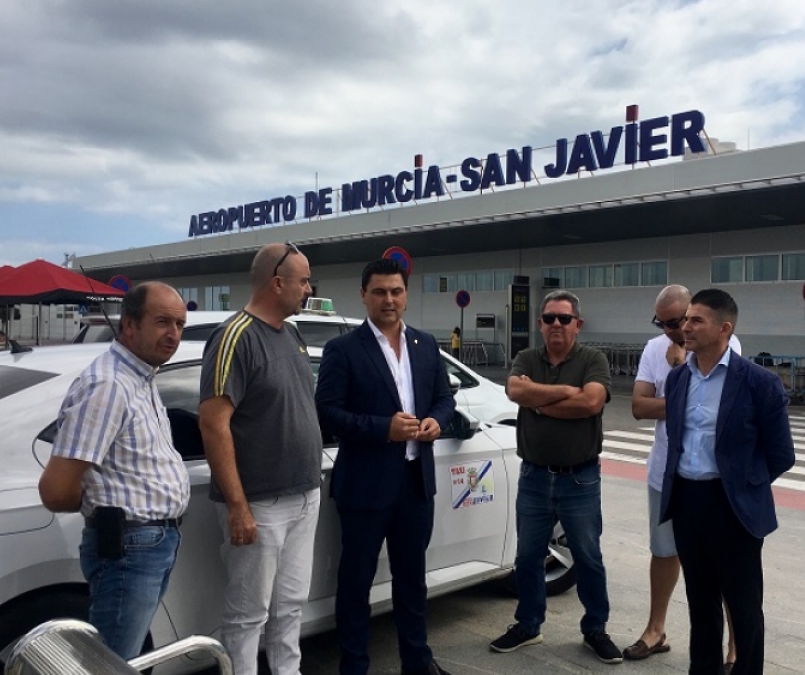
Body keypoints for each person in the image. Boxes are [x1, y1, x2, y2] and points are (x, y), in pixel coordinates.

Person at [315, 258, 456, 675]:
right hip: (365, 486)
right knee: (356, 583)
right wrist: (384, 429)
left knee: (412, 580)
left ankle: (417, 661)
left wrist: (437, 421)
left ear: (406, 295)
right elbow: (327, 412)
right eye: (379, 292)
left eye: (396, 291)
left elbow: (444, 398)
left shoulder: (425, 344)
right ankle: (354, 665)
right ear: (363, 296)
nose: (388, 299)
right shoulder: (343, 349)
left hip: (415, 484)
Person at [38, 282, 190, 659]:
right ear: (129, 325)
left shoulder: (140, 376)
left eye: (180, 324)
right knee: (112, 663)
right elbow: (56, 490)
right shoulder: (108, 385)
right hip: (130, 547)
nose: (173, 334)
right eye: (162, 322)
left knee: (120, 658)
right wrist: (104, 505)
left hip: (148, 543)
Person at [198, 242, 324, 675]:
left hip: (304, 495)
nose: (309, 289)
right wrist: (237, 506)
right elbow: (213, 424)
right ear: (277, 283)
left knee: (291, 604)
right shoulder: (234, 337)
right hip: (259, 504)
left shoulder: (291, 333)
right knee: (248, 613)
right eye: (304, 281)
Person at [658, 288, 794, 675]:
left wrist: (742, 485)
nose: (685, 327)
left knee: (744, 605)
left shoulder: (759, 382)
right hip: (687, 501)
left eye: (696, 320)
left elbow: (781, 453)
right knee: (700, 602)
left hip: (733, 507)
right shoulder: (678, 379)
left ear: (724, 328)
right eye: (685, 319)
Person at [489, 290, 622, 664]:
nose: (557, 324)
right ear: (540, 324)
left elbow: (591, 402)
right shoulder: (526, 358)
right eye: (549, 318)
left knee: (588, 557)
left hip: (580, 479)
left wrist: (538, 403)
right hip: (533, 477)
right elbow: (515, 389)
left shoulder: (593, 359)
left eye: (564, 318)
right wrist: (564, 392)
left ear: (578, 324)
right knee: (528, 556)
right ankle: (528, 625)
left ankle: (595, 629)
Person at [626, 285, 741, 670]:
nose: (673, 330)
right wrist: (680, 390)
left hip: (712, 478)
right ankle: (655, 629)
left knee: (723, 563)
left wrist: (679, 371)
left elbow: (718, 405)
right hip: (666, 471)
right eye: (663, 323)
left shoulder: (727, 345)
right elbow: (639, 406)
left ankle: (735, 644)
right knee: (663, 552)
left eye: (678, 321)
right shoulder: (653, 349)